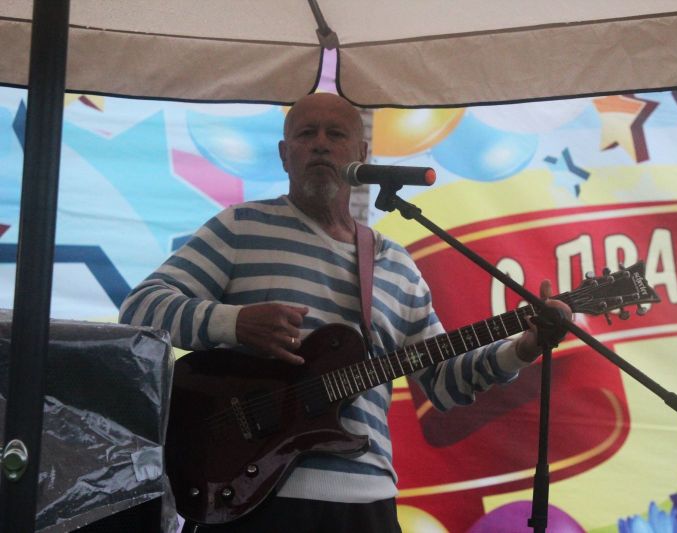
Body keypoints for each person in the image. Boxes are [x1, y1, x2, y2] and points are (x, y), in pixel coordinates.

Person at [119, 92, 571, 532]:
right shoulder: (240, 227)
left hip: (366, 502)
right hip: (252, 494)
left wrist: (523, 348)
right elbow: (140, 310)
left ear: (362, 153)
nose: (320, 143)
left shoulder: (395, 265)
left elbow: (445, 383)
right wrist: (234, 323)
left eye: (335, 134)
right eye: (306, 134)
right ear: (284, 154)